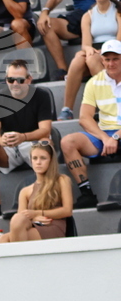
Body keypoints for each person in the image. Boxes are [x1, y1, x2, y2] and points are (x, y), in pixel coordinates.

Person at [0, 59, 55, 217]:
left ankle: (49, 198)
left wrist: (24, 137)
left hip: (33, 143)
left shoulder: (41, 95)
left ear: (29, 79)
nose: (15, 83)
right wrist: (2, 141)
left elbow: (45, 130)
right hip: (9, 146)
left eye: (20, 80)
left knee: (46, 143)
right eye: (10, 79)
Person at [60, 38, 121, 209]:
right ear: (102, 60)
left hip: (117, 133)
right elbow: (84, 118)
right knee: (67, 142)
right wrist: (105, 137)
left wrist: (115, 136)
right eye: (107, 59)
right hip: (105, 134)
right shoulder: (94, 82)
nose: (111, 63)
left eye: (115, 58)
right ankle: (86, 193)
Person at [58, 0, 121, 120]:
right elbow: (86, 44)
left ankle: (111, 104)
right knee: (78, 60)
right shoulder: (88, 15)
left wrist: (103, 52)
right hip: (95, 51)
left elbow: (119, 40)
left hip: (114, 51)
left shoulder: (118, 12)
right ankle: (67, 109)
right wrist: (87, 50)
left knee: (92, 59)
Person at [0, 141, 74, 242]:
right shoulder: (25, 191)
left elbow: (67, 211)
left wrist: (38, 213)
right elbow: (22, 217)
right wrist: (34, 218)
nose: (38, 162)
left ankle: (21, 256)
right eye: (35, 158)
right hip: (34, 223)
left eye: (43, 158)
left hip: (52, 225)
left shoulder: (62, 180)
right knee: (5, 236)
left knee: (9, 239)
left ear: (51, 160)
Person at [38, 0, 98, 86]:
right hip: (80, 14)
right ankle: (63, 71)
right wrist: (45, 12)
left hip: (103, 12)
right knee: (46, 25)